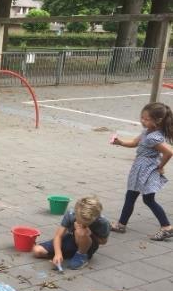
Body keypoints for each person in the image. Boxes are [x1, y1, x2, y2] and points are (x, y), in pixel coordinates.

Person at [110, 102, 173, 241]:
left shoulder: (153, 137)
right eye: (142, 117)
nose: (143, 121)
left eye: (146, 119)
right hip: (140, 169)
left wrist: (161, 166)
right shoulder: (147, 132)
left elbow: (169, 153)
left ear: (157, 121)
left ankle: (167, 227)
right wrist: (120, 142)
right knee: (131, 196)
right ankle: (121, 224)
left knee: (148, 199)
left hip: (146, 170)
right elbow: (134, 142)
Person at [33, 196, 110, 270]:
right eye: (79, 221)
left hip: (88, 246)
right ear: (76, 213)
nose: (82, 225)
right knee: (37, 250)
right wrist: (57, 253)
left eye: (86, 224)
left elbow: (103, 241)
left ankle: (81, 255)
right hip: (72, 239)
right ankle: (68, 255)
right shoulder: (71, 214)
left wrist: (90, 234)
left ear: (95, 217)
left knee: (80, 232)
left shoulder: (102, 222)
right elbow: (58, 236)